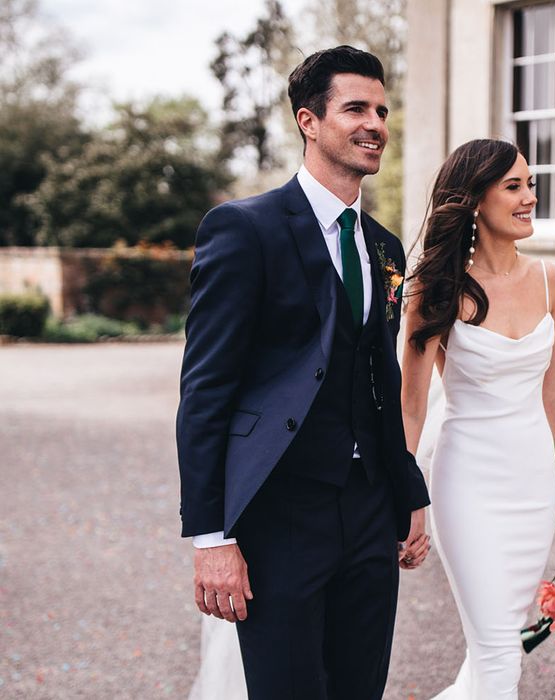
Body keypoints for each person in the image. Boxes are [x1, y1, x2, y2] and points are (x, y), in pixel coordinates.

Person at [176, 45, 431, 700]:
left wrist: (408, 494)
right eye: (355, 108)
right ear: (308, 121)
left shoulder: (383, 247)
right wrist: (212, 537)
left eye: (381, 109)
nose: (374, 122)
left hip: (370, 512)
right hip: (280, 516)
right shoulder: (244, 229)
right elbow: (205, 391)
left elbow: (381, 381)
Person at [401, 139, 555, 699]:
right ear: (474, 201)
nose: (529, 197)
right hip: (468, 486)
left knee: (503, 648)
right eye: (513, 186)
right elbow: (411, 405)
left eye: (531, 184)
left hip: (533, 486)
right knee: (494, 653)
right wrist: (404, 494)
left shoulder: (547, 280)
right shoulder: (436, 290)